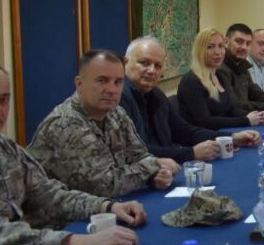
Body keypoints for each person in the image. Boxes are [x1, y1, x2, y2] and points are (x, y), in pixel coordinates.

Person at [0, 60, 146, 245]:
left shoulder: (4, 147)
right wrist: (76, 242)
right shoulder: (64, 122)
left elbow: (49, 195)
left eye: (3, 100)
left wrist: (107, 206)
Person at [27, 50, 175, 197]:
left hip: (108, 205)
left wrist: (155, 176)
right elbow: (103, 186)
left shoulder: (116, 113)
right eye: (102, 80)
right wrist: (154, 166)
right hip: (60, 211)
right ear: (79, 84)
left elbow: (140, 156)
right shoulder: (65, 124)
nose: (111, 90)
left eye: (118, 82)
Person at [119, 36, 260, 163]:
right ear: (125, 62)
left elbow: (184, 131)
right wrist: (191, 153)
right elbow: (136, 151)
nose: (151, 70)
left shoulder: (156, 93)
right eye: (144, 63)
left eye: (158, 66)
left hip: (167, 167)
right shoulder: (119, 99)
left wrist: (232, 137)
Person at [178, 28, 264, 130]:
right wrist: (246, 120)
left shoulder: (218, 76)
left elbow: (230, 109)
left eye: (221, 46)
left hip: (221, 132)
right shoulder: (191, 81)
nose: (218, 52)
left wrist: (254, 115)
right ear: (200, 50)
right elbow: (205, 121)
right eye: (210, 47)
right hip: (204, 137)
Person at [218, 23, 264, 113]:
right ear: (226, 42)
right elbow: (235, 105)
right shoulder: (220, 68)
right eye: (239, 41)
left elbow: (255, 93)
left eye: (248, 43)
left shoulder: (242, 64)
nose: (244, 47)